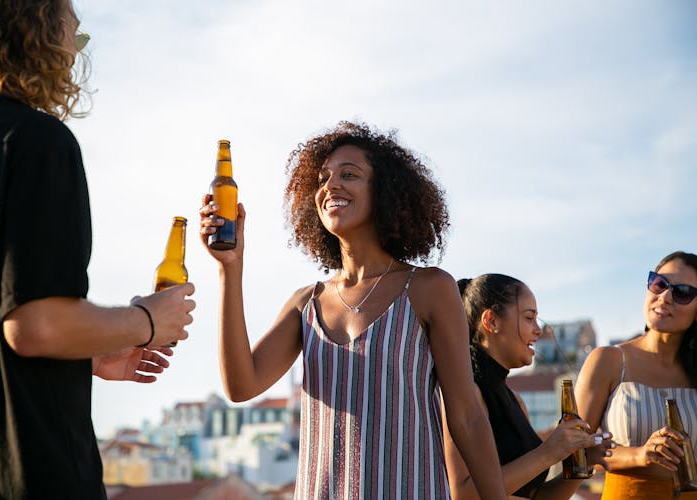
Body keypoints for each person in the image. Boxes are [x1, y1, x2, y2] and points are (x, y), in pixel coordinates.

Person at [0, 1, 195, 498]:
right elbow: (36, 327)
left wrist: (85, 357)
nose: (73, 51)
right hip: (29, 477)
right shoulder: (33, 142)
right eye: (72, 34)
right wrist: (146, 321)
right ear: (35, 29)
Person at [199, 121, 505, 499]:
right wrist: (230, 268)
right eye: (323, 178)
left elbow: (467, 417)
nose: (331, 186)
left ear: (385, 191)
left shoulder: (429, 289)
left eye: (349, 174)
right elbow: (241, 386)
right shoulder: (305, 303)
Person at [443, 274, 612, 499]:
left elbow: (533, 496)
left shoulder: (515, 401)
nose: (538, 330)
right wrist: (548, 453)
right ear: (491, 321)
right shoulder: (466, 393)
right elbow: (462, 494)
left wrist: (584, 464)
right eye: (529, 317)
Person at [576, 251, 697, 499]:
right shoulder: (608, 360)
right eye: (659, 284)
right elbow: (574, 452)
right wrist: (640, 454)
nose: (664, 297)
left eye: (682, 292)